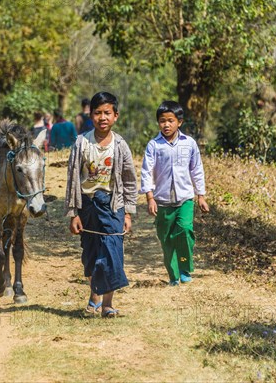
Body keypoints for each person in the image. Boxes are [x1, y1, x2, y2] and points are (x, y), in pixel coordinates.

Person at [65, 92, 138, 317]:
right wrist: (73, 213)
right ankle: (94, 296)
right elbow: (72, 178)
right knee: (90, 253)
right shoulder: (81, 143)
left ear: (116, 116)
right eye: (98, 113)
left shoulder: (121, 145)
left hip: (112, 205)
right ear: (91, 115)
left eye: (107, 113)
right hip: (87, 205)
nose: (102, 117)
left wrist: (128, 213)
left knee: (112, 252)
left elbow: (129, 180)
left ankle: (107, 304)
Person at [139, 100, 209, 286]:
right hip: (162, 201)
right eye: (162, 121)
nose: (166, 124)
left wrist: (200, 195)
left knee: (185, 232)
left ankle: (185, 268)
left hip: (185, 198)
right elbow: (146, 171)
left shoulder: (189, 144)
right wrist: (150, 197)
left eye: (171, 120)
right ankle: (173, 275)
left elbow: (196, 169)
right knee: (167, 239)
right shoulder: (154, 145)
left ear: (180, 122)